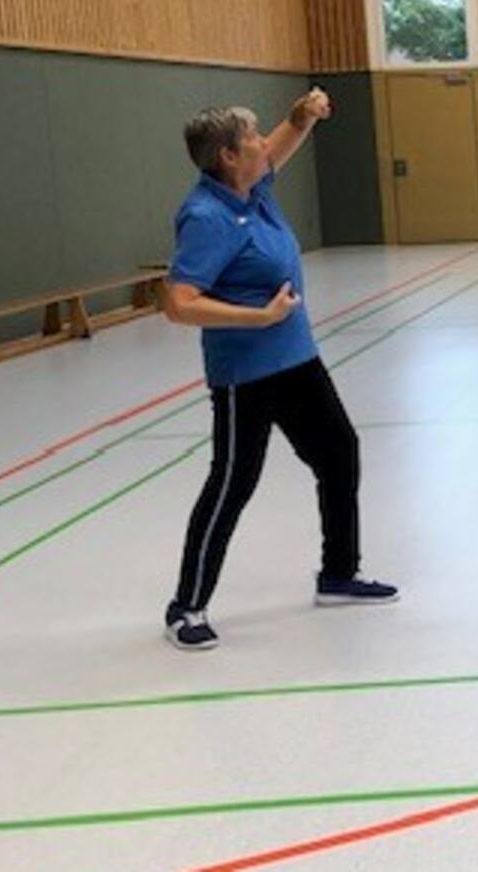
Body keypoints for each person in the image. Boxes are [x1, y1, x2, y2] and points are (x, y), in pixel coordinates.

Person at [161, 92, 398, 651]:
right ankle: (186, 606)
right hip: (247, 375)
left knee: (338, 451)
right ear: (225, 157)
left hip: (297, 359)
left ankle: (339, 574)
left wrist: (303, 114)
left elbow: (280, 143)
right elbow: (178, 302)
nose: (262, 146)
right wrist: (256, 316)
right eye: (250, 141)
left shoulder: (253, 189)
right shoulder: (207, 217)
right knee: (232, 483)